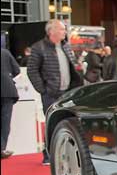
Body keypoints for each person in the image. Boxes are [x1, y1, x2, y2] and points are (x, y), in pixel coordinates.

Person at [27, 19, 82, 164]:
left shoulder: (66, 47)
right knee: (52, 123)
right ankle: (48, 155)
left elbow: (73, 67)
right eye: (62, 29)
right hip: (51, 93)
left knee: (69, 123)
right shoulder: (39, 47)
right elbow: (32, 70)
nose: (65, 32)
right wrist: (43, 89)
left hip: (68, 92)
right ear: (51, 31)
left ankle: (65, 154)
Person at [1, 44, 20, 159]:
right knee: (5, 121)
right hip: (7, 90)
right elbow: (16, 70)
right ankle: (2, 148)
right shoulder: (5, 52)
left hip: (7, 91)